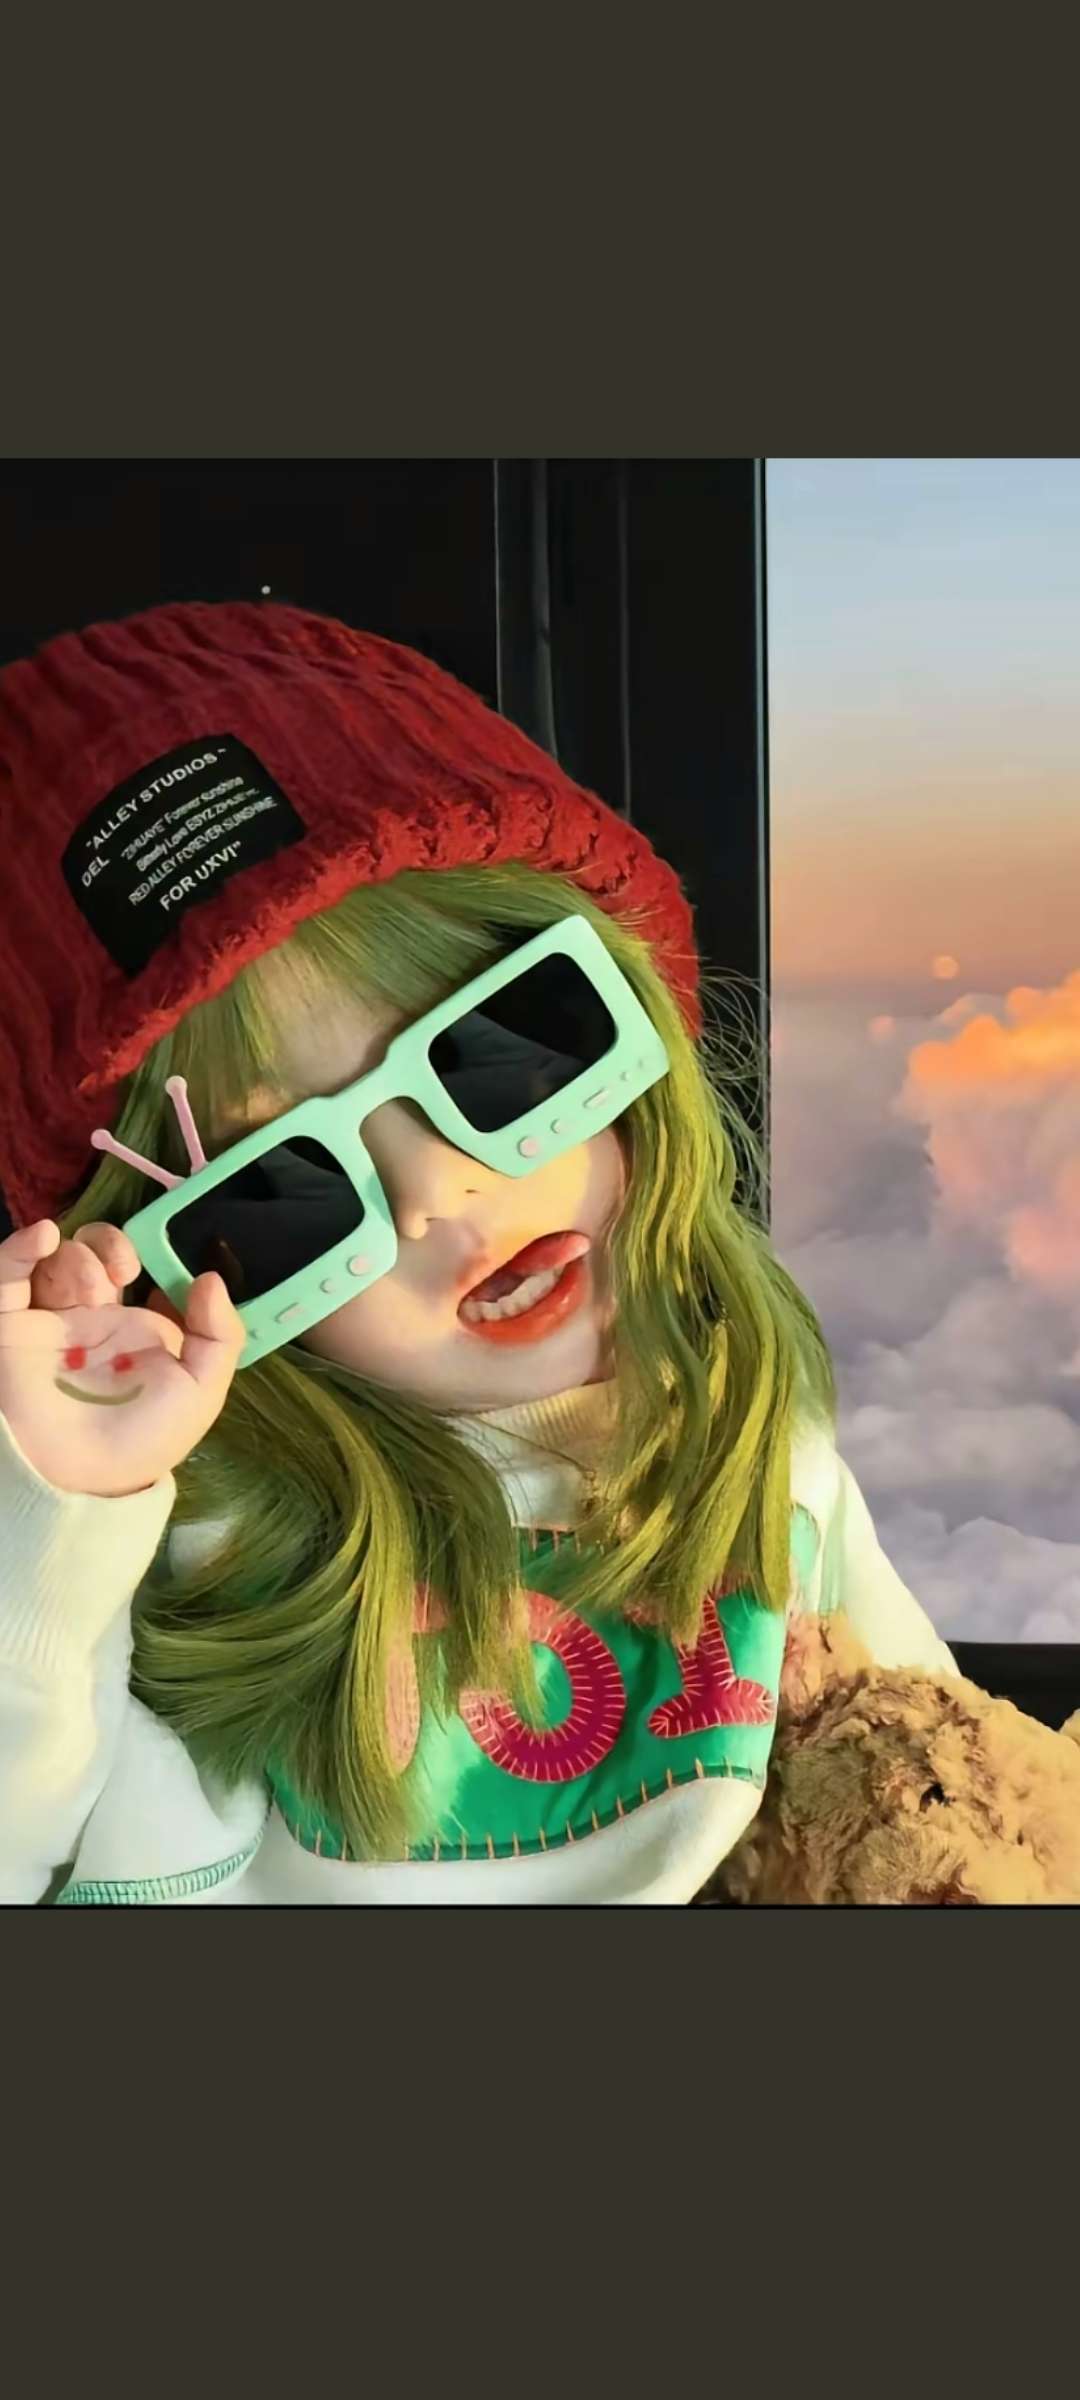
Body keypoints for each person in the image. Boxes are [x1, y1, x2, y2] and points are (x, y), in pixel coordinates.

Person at [0, 600, 956, 1905]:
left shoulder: (757, 1429)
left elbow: (940, 1785)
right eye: (276, 1194)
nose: (443, 1197)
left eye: (504, 1050)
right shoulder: (185, 1536)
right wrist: (52, 1523)